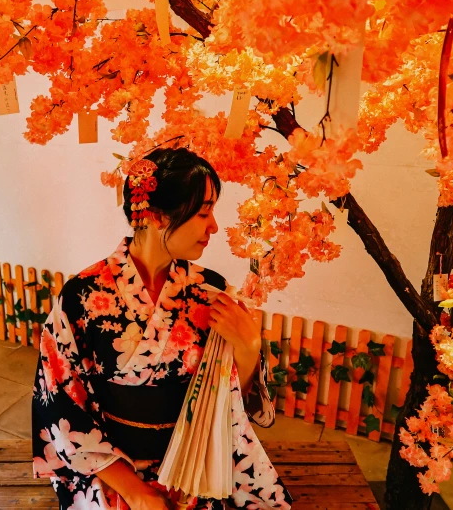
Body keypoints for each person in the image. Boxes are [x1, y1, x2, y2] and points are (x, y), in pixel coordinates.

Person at [32, 148, 292, 510]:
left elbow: (230, 404)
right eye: (204, 212)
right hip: (111, 469)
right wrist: (135, 493)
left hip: (194, 464)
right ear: (155, 216)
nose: (214, 226)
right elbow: (59, 400)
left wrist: (248, 348)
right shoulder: (82, 296)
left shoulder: (210, 292)